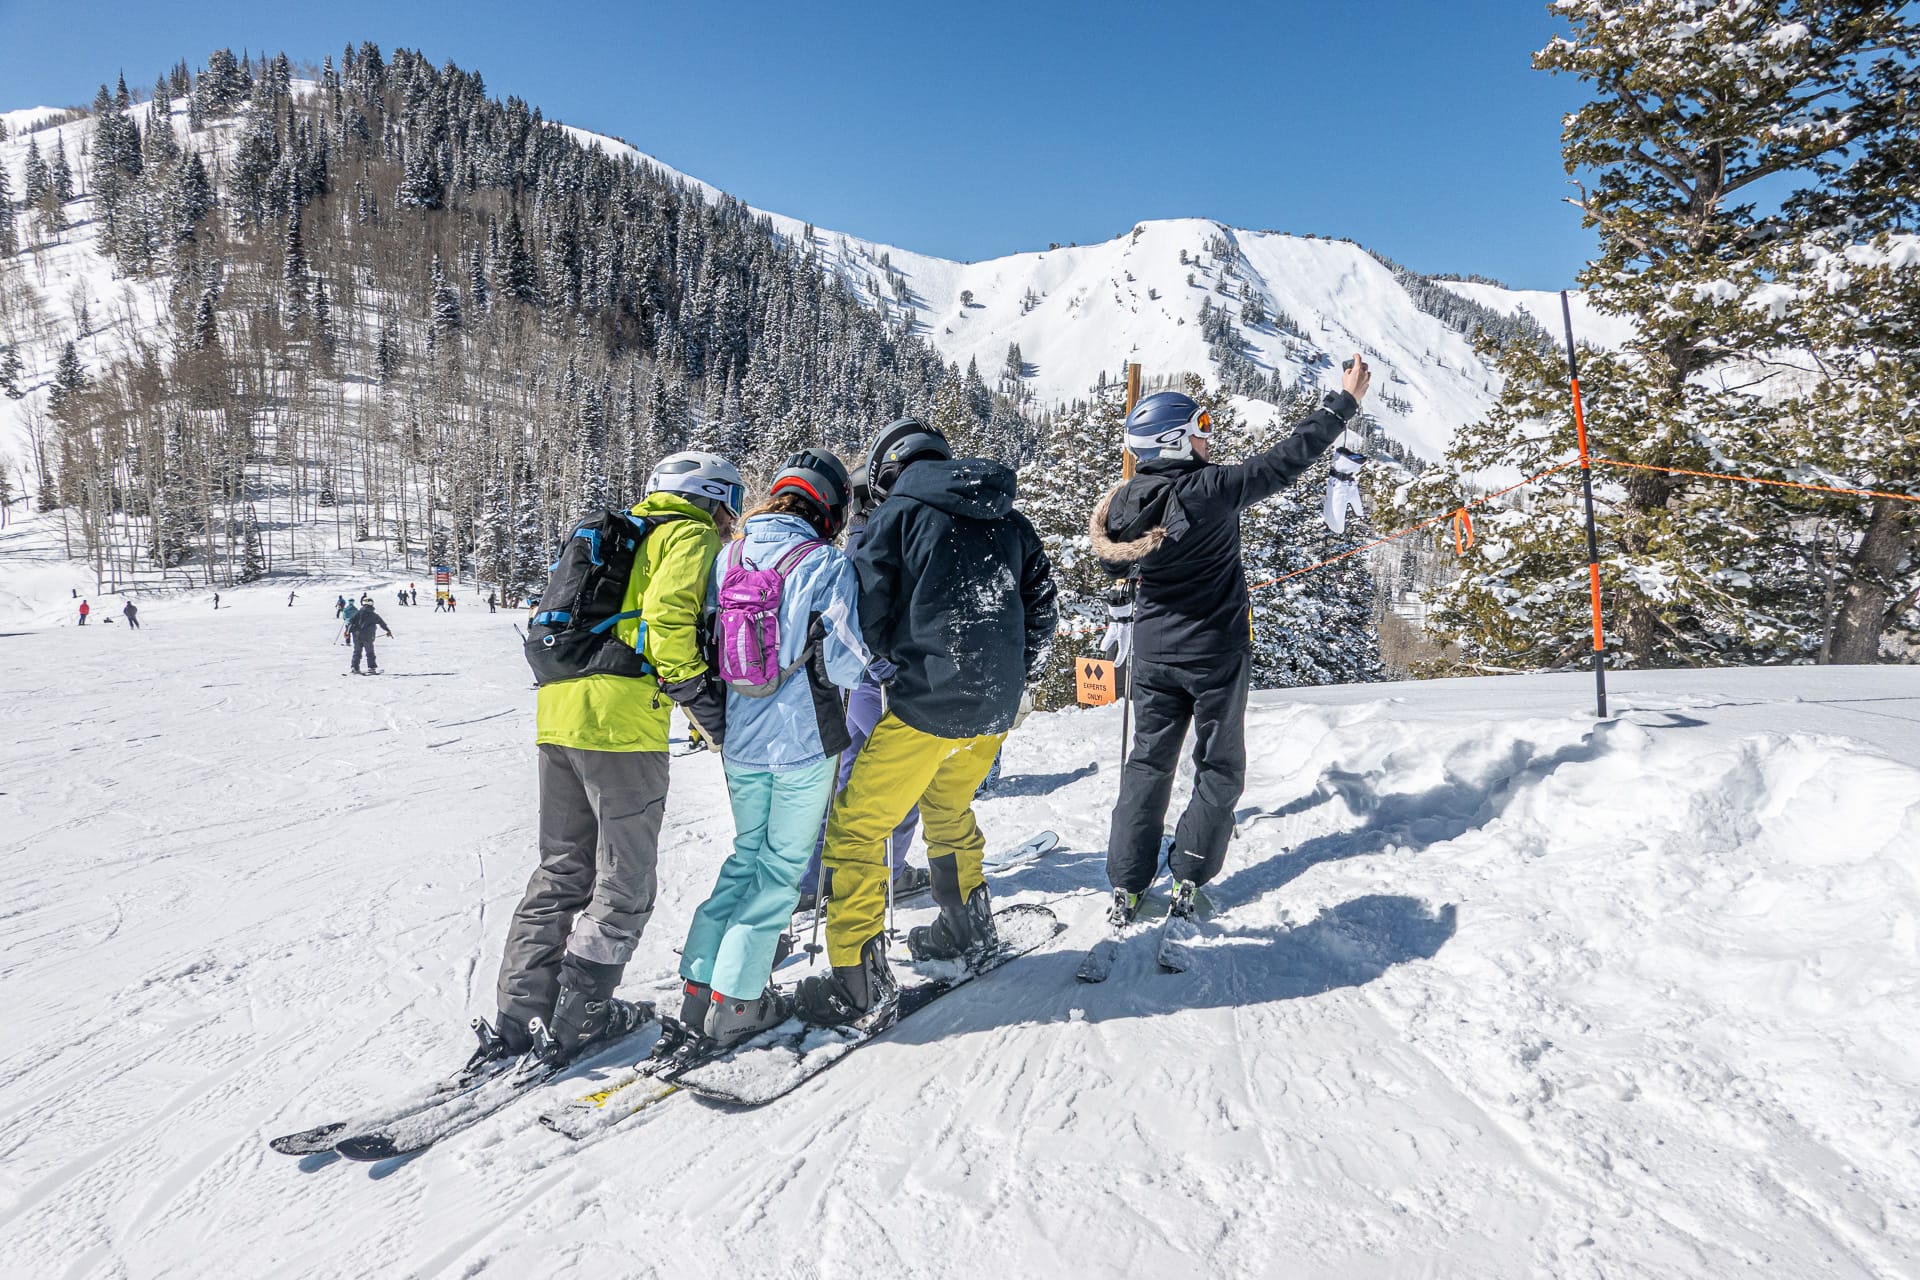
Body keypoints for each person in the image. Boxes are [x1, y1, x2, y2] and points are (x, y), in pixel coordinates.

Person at [794, 419, 1057, 1026]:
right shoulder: (1011, 519)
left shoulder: (898, 515)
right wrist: (1012, 665)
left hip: (926, 705)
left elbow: (866, 611)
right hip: (994, 707)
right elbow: (1042, 604)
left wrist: (897, 661)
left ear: (889, 471)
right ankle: (965, 926)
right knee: (949, 809)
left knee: (856, 829)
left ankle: (857, 980)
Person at [1091, 359, 1372, 926]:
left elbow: (1119, 575)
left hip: (1151, 655)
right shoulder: (1211, 489)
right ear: (1173, 441)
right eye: (1200, 428)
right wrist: (1343, 403)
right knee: (1218, 766)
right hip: (1215, 654)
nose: (1207, 437)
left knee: (1148, 762)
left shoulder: (1120, 505)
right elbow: (1288, 459)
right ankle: (1189, 876)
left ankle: (1126, 882)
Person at [482, 450, 741, 1067]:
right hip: (620, 725)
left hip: (558, 714)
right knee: (625, 879)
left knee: (562, 869)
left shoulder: (619, 533)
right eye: (729, 506)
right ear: (713, 497)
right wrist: (709, 708)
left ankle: (520, 1016)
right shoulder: (689, 532)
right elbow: (667, 623)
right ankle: (582, 1017)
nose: (732, 522)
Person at [676, 450, 869, 1048]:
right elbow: (844, 662)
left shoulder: (729, 554)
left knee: (744, 858)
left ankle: (698, 984)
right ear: (827, 509)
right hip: (803, 745)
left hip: (740, 741)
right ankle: (738, 1001)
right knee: (781, 873)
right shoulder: (824, 563)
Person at [796, 461, 926, 913]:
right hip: (887, 677)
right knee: (895, 784)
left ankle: (816, 876)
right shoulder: (898, 533)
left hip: (849, 681)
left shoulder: (852, 539)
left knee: (844, 779)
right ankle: (887, 872)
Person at [346, 594, 393, 673]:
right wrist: (388, 630)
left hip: (356, 636)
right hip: (368, 637)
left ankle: (354, 667)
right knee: (370, 652)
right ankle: (371, 668)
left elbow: (351, 623)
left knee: (357, 652)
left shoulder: (357, 613)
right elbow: (382, 623)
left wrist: (347, 632)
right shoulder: (373, 615)